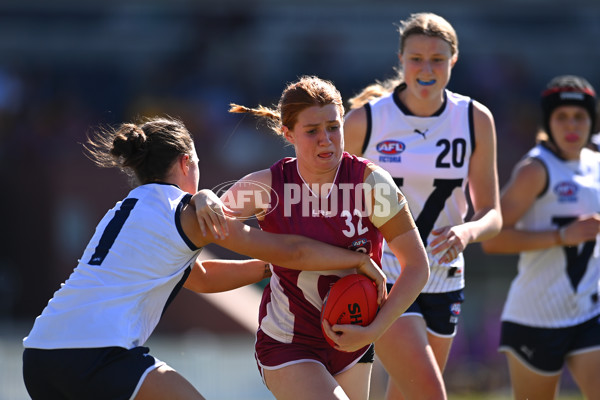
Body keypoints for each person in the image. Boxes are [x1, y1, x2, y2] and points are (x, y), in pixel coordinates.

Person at [21, 116, 389, 400]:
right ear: (185, 163)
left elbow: (201, 276)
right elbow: (293, 250)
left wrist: (269, 268)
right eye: (196, 162)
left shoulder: (123, 209)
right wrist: (352, 260)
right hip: (99, 353)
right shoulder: (186, 211)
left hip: (40, 354)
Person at [210, 75, 429, 400]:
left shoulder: (372, 184)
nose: (326, 139)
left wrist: (373, 330)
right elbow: (201, 222)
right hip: (289, 340)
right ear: (288, 134)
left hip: (354, 336)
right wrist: (201, 201)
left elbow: (418, 267)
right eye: (312, 131)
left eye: (333, 127)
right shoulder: (266, 187)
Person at [343, 12, 502, 400]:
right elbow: (328, 197)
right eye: (416, 58)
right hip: (387, 276)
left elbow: (493, 214)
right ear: (400, 60)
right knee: (432, 393)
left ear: (454, 60)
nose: (426, 68)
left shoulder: (474, 118)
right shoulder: (366, 121)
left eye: (437, 59)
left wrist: (467, 231)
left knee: (408, 395)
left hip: (446, 276)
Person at [481, 75, 600, 399]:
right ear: (548, 121)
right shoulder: (535, 170)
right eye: (562, 117)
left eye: (580, 117)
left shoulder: (596, 163)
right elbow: (492, 239)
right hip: (536, 318)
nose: (571, 125)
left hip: (589, 313)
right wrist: (562, 235)